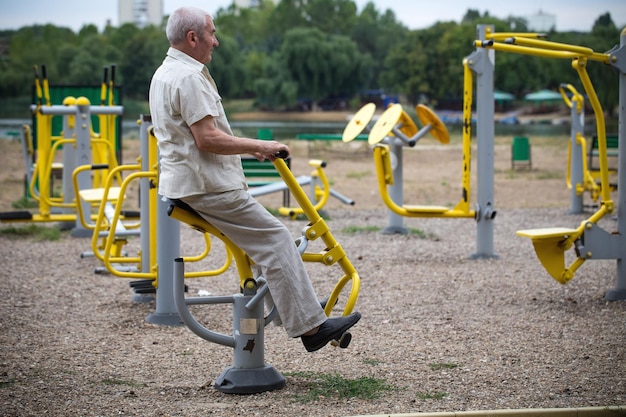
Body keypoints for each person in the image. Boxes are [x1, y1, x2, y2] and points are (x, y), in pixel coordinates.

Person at [148, 6, 360, 352]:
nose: (215, 42)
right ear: (192, 38)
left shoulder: (165, 72)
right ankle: (311, 328)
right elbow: (207, 138)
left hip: (187, 183)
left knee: (261, 242)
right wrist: (259, 146)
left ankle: (298, 309)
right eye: (211, 34)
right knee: (275, 238)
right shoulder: (187, 78)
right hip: (206, 185)